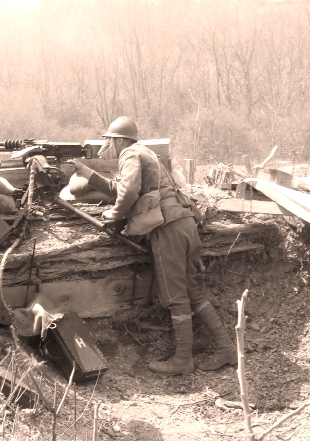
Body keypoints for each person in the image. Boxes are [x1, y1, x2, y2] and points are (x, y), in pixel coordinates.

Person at [70, 116, 237, 375]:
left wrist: (114, 216)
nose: (108, 146)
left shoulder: (129, 153)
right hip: (185, 223)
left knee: (174, 297)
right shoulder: (147, 154)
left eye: (109, 141)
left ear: (119, 140)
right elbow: (121, 187)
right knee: (191, 291)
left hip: (167, 228)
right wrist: (87, 173)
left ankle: (183, 360)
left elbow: (128, 192)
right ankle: (226, 348)